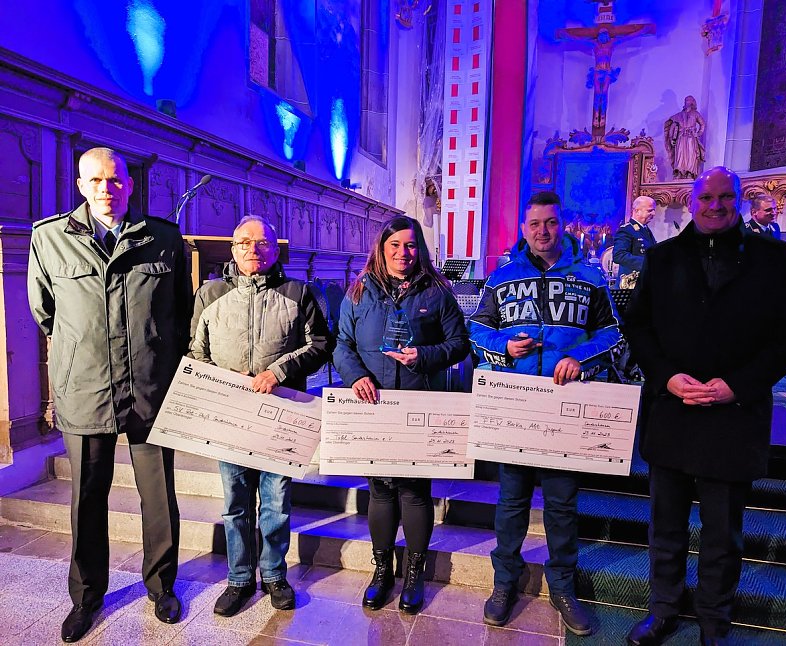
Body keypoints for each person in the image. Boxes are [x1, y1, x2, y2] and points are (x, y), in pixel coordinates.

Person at [623, 167, 786, 645]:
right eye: (707, 198)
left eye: (726, 197)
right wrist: (666, 376)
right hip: (673, 410)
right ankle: (662, 609)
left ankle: (713, 620)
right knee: (666, 526)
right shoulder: (662, 258)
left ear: (739, 200)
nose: (716, 206)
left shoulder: (775, 258)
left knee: (723, 534)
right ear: (692, 201)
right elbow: (638, 328)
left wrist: (738, 385)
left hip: (733, 415)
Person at [27, 147, 189, 642]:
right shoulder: (49, 238)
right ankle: (86, 597)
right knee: (87, 499)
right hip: (87, 387)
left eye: (115, 179)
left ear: (130, 184)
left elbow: (179, 311)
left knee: (158, 496)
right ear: (80, 185)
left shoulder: (162, 238)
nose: (106, 188)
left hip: (148, 388)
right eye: (95, 180)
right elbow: (45, 312)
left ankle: (162, 587)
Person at [469, 190, 624, 636]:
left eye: (551, 223)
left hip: (565, 409)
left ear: (563, 225)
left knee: (561, 505)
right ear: (524, 229)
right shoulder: (501, 278)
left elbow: (612, 332)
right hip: (516, 406)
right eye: (535, 224)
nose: (543, 232)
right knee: (511, 503)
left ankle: (562, 586)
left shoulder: (590, 277)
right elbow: (477, 329)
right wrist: (505, 345)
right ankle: (505, 583)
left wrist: (580, 357)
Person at [190, 215, 333, 617]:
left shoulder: (298, 292)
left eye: (263, 244)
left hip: (280, 413)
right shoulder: (210, 294)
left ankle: (273, 574)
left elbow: (321, 344)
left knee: (275, 500)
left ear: (275, 249)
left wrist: (280, 371)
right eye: (244, 243)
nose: (254, 250)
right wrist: (223, 379)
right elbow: (194, 353)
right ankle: (239, 579)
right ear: (233, 249)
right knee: (235, 502)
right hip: (231, 415)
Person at [332, 215, 470, 615]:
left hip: (417, 400)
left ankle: (413, 573)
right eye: (394, 246)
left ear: (419, 250)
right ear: (382, 248)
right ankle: (381, 571)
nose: (402, 253)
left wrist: (423, 356)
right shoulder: (359, 291)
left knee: (413, 488)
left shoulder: (437, 291)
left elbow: (460, 344)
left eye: (410, 246)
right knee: (380, 489)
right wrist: (356, 376)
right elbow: (342, 344)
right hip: (372, 404)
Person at [613, 195, 658, 282]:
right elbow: (619, 255)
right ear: (637, 211)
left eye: (654, 210)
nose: (653, 214)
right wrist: (647, 263)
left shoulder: (645, 229)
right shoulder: (626, 230)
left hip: (644, 281)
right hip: (630, 283)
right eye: (650, 210)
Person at [664, 95, 706, 180]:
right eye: (686, 100)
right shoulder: (679, 115)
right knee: (680, 155)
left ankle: (690, 173)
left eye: (689, 100)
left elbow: (702, 124)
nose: (687, 102)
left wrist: (698, 133)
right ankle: (679, 172)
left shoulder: (695, 114)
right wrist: (672, 138)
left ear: (692, 102)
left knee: (691, 155)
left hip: (691, 137)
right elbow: (673, 125)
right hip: (681, 137)